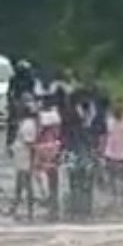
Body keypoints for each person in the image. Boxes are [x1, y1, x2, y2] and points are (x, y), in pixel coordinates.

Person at [62, 90, 95, 221]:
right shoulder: (86, 121)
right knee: (84, 184)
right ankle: (84, 211)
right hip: (81, 154)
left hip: (75, 153)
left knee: (75, 183)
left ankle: (77, 210)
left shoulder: (69, 117)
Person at [33, 96, 63, 221]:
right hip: (54, 150)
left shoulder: (42, 117)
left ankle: (50, 205)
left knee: (43, 179)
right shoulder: (55, 117)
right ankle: (54, 207)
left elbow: (39, 133)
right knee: (53, 181)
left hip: (45, 150)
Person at [10, 95, 38, 220]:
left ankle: (28, 209)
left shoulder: (28, 124)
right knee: (21, 183)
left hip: (24, 156)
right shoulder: (26, 123)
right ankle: (18, 207)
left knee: (25, 183)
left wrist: (33, 159)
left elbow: (30, 143)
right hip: (22, 155)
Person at [5, 59, 37, 148]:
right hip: (17, 100)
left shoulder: (30, 79)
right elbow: (10, 91)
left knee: (29, 120)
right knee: (13, 122)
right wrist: (10, 101)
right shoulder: (14, 78)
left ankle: (28, 139)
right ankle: (11, 141)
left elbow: (33, 91)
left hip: (26, 100)